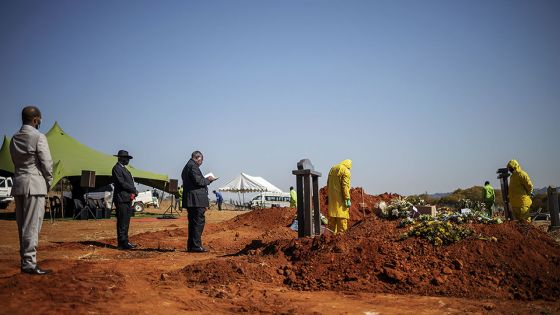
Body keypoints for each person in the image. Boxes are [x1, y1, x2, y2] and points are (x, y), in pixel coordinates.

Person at [10, 106, 53, 275]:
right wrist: (47, 182)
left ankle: (25, 260)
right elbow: (47, 163)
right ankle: (29, 263)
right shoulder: (38, 137)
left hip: (19, 184)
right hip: (34, 185)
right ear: (35, 119)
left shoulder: (14, 138)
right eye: (39, 120)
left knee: (22, 225)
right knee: (32, 226)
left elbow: (15, 161)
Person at [182, 151, 216, 252]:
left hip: (192, 200)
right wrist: (209, 180)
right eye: (201, 160)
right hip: (196, 200)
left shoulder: (188, 166)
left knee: (193, 223)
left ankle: (192, 245)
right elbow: (199, 181)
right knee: (198, 222)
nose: (201, 162)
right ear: (198, 158)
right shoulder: (193, 166)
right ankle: (196, 246)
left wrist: (203, 179)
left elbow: (196, 180)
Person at [111, 150, 138, 250]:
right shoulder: (116, 168)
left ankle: (126, 242)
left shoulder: (125, 170)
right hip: (121, 198)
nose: (128, 160)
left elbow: (129, 183)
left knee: (126, 221)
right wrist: (133, 189)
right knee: (122, 221)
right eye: (126, 158)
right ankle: (121, 243)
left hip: (127, 198)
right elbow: (121, 183)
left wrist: (133, 191)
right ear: (121, 158)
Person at [326, 159, 352, 234]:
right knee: (342, 229)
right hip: (341, 204)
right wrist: (347, 198)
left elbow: (328, 183)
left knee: (331, 230)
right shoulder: (346, 171)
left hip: (332, 205)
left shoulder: (332, 168)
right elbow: (345, 186)